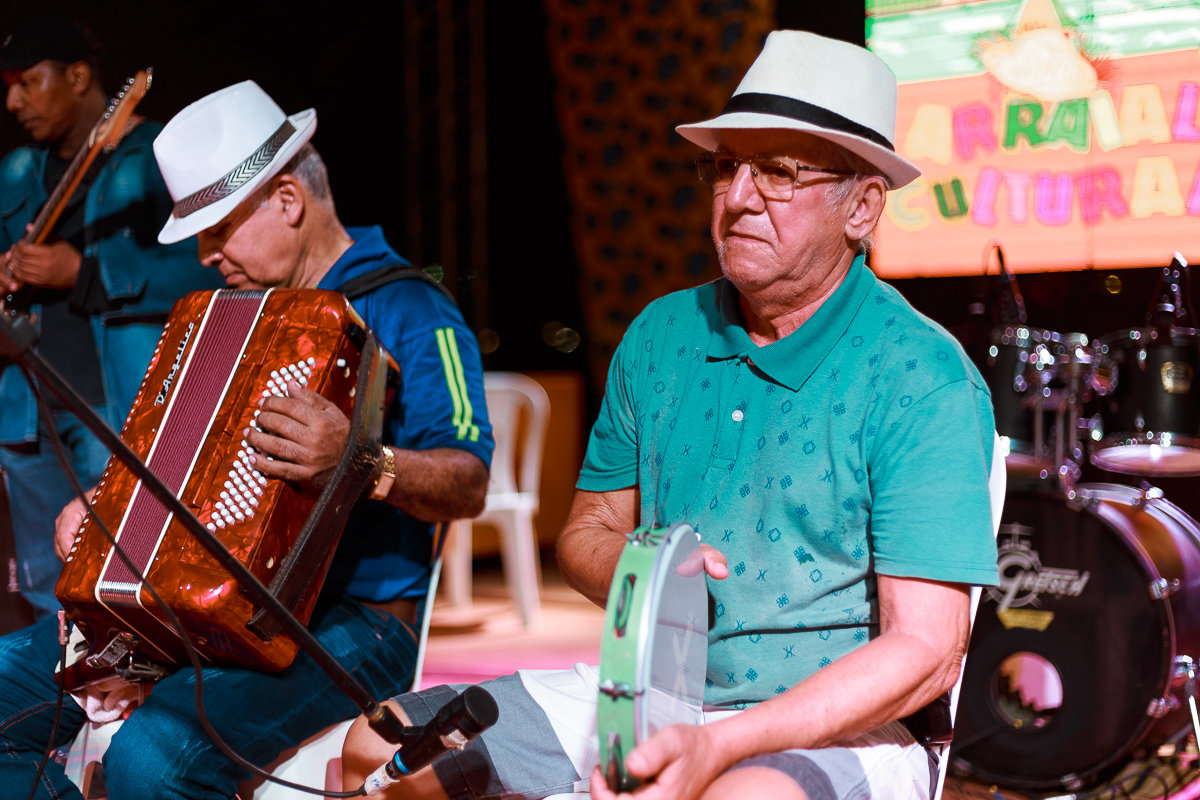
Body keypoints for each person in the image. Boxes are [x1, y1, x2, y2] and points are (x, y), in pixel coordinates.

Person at [342, 30, 1000, 800]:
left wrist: (723, 745)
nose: (740, 197)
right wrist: (652, 575)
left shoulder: (918, 372)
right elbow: (584, 533)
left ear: (862, 206)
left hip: (839, 723)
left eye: (779, 172)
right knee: (377, 751)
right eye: (727, 167)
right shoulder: (660, 336)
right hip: (652, 696)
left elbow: (927, 649)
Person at [0, 80, 493, 800]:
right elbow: (176, 465)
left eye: (217, 229)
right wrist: (105, 515)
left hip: (355, 625)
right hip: (195, 611)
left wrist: (362, 462)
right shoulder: (218, 324)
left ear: (288, 201)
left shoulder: (412, 308)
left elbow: (468, 481)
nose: (203, 255)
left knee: (152, 763)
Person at [0, 17, 222, 616]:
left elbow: (210, 268)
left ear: (77, 77)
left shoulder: (151, 158)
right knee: (47, 581)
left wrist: (89, 272)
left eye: (27, 82)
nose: (13, 100)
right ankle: (61, 700)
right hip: (25, 408)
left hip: (115, 405)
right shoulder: (17, 172)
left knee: (122, 566)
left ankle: (126, 702)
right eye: (8, 85)